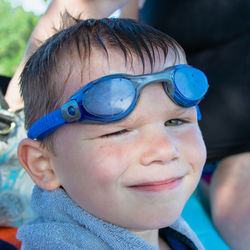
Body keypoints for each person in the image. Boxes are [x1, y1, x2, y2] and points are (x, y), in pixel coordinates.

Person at [16, 17, 208, 249]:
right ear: (43, 165)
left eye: (176, 121)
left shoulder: (164, 229)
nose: (165, 150)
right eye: (119, 131)